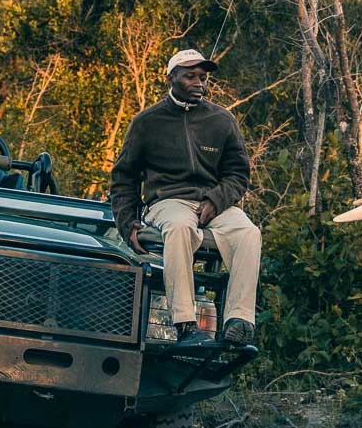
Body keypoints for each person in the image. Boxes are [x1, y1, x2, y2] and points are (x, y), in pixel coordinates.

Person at [109, 48, 258, 349]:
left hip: (213, 203)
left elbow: (238, 174)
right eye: (190, 76)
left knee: (249, 233)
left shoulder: (222, 120)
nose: (198, 82)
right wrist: (127, 224)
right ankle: (185, 324)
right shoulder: (147, 122)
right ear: (171, 78)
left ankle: (239, 321)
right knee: (179, 228)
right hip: (167, 201)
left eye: (202, 77)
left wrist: (217, 199)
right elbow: (123, 177)